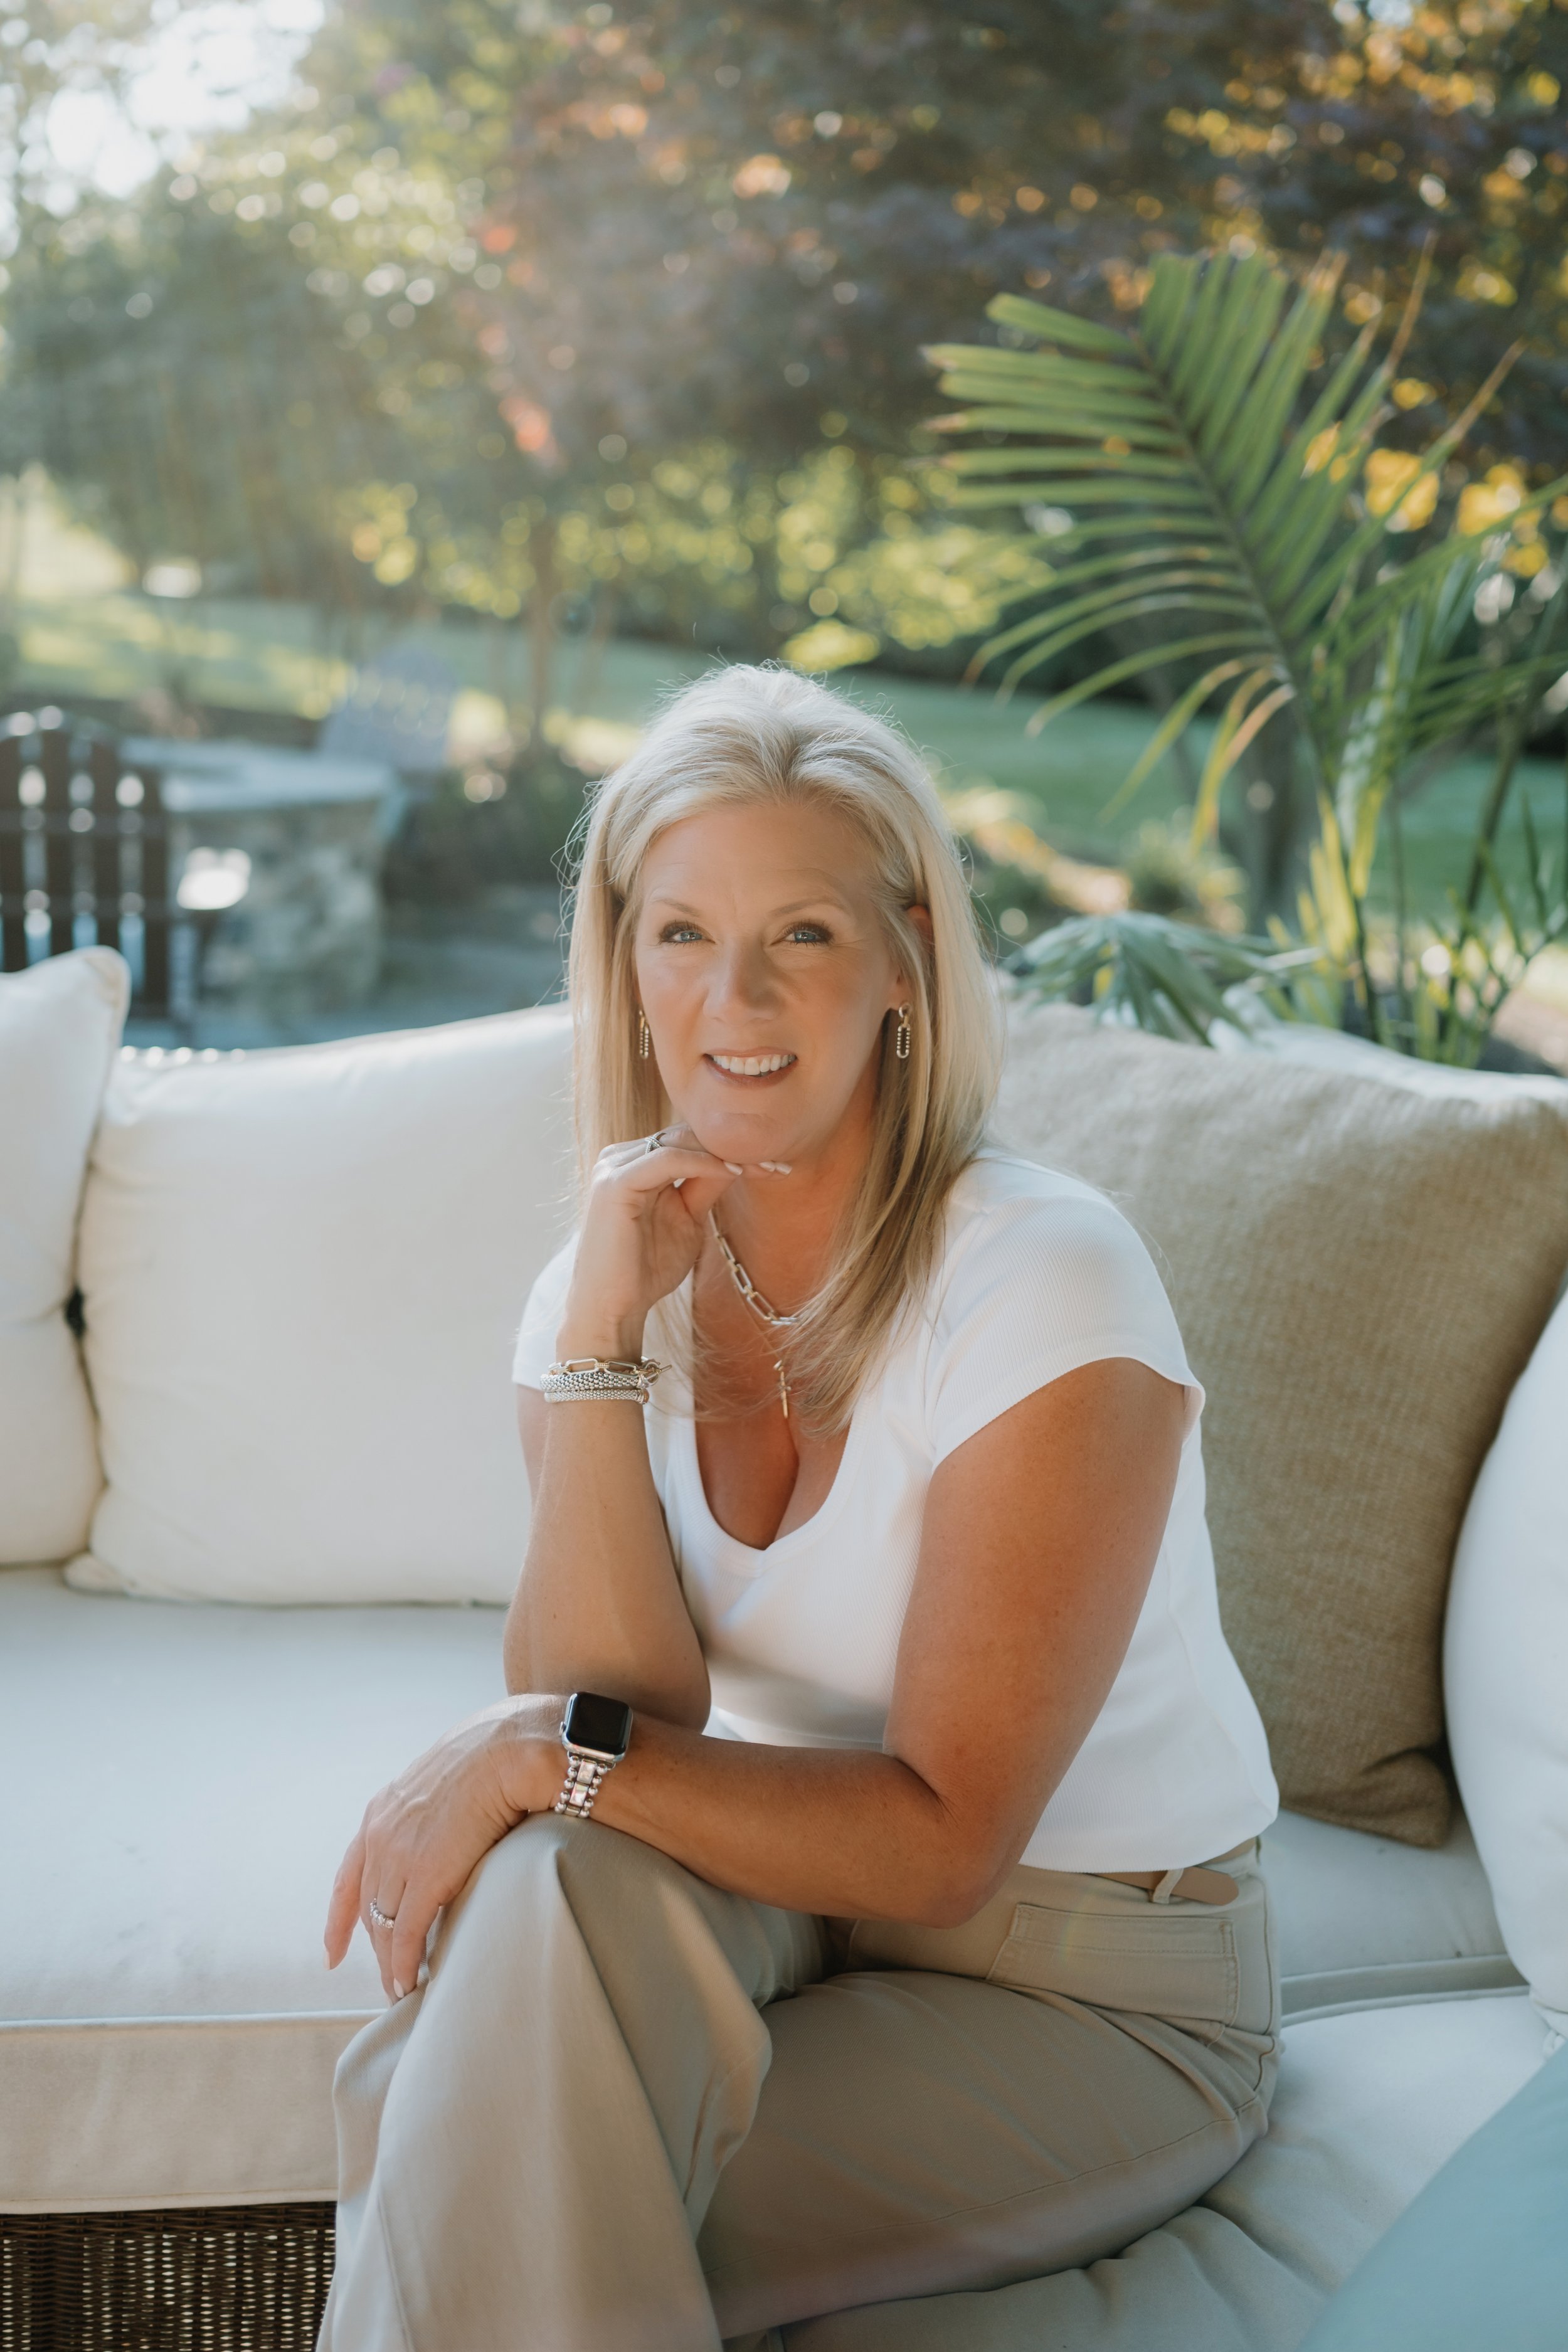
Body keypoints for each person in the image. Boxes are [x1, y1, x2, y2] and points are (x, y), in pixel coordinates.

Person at [319, 665, 1279, 2352]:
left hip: (1089, 1983)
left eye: (804, 937)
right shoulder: (590, 1286)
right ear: (622, 966)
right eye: (679, 933)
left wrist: (540, 1749)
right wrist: (604, 1350)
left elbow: (939, 1837)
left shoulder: (1040, 1282)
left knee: (467, 2153)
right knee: (550, 1897)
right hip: (774, 1915)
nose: (732, 996)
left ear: (905, 956)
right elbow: (633, 1703)